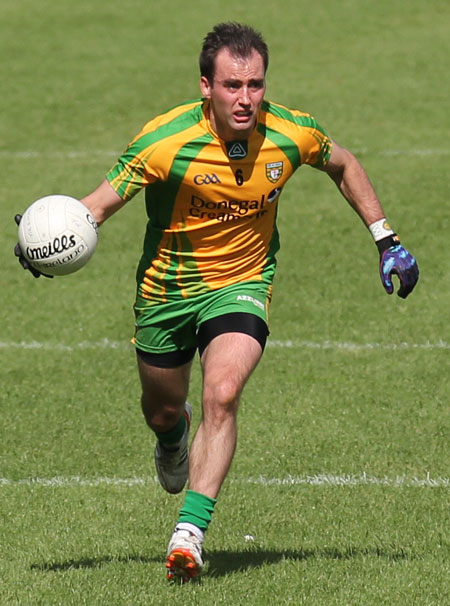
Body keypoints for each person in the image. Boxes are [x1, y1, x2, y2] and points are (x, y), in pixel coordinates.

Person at [14, 22, 419, 582]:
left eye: (255, 84)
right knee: (161, 409)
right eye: (232, 85)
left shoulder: (291, 133)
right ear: (206, 86)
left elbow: (343, 164)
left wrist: (386, 240)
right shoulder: (164, 141)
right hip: (167, 292)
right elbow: (95, 209)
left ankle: (189, 535)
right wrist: (44, 240)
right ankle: (172, 435)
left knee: (223, 392)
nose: (246, 98)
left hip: (243, 281)